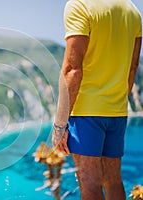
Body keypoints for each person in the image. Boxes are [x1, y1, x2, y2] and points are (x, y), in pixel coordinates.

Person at [52, 0, 142, 199]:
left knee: (90, 184)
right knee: (114, 181)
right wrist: (116, 101)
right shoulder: (132, 10)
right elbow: (133, 67)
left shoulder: (80, 5)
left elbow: (72, 70)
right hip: (117, 111)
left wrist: (59, 125)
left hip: (86, 112)